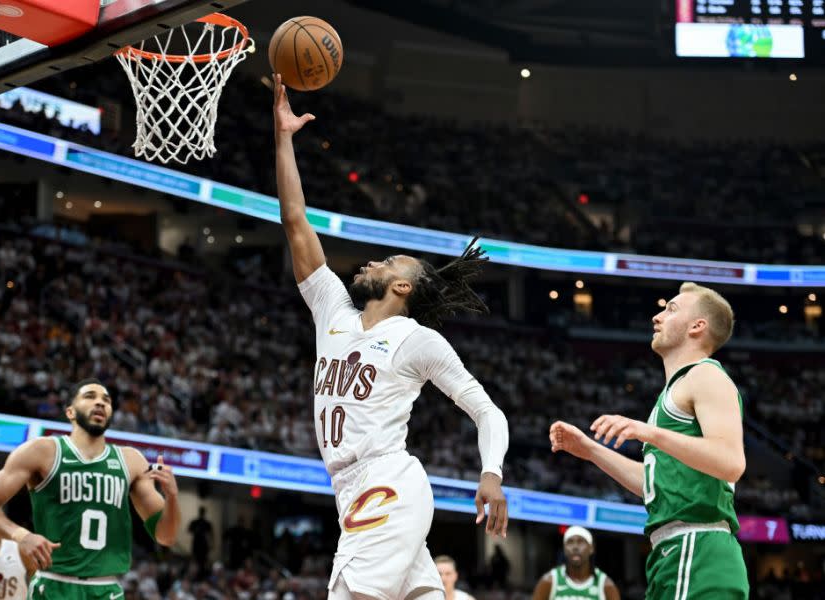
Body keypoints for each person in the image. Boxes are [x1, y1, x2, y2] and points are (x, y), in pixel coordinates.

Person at [273, 73, 510, 600]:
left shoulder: (417, 339)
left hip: (386, 484)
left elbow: (488, 411)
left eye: (389, 261)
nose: (375, 260)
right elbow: (294, 221)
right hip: (349, 489)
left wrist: (490, 474)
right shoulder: (332, 309)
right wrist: (284, 138)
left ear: (401, 285)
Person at [550, 283, 749, 599]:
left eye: (671, 309)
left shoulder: (705, 375)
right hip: (673, 553)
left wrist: (647, 432)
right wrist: (589, 450)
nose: (657, 317)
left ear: (698, 326)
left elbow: (731, 462)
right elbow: (653, 483)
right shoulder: (672, 395)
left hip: (698, 550)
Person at [0, 378, 182, 599]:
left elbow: (166, 536)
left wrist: (173, 497)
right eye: (90, 397)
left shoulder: (131, 461)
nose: (100, 403)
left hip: (107, 588)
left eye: (106, 400)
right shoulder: (42, 451)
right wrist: (22, 536)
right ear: (70, 412)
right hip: (54, 585)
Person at [531, 526, 620, 600]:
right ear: (564, 549)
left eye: (581, 542)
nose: (575, 547)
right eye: (570, 542)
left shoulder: (606, 585)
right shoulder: (549, 581)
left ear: (591, 548)